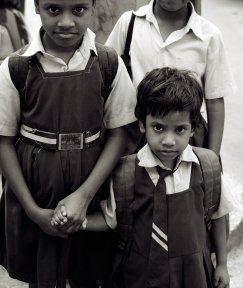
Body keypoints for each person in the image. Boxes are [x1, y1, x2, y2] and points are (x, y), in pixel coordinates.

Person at [0, 0, 137, 288]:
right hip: (34, 190)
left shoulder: (107, 64)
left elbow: (121, 133)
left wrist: (84, 196)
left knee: (89, 271)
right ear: (35, 5)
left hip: (91, 181)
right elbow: (3, 141)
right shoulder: (16, 69)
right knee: (40, 274)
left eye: (79, 10)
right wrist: (32, 210)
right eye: (53, 10)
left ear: (94, 5)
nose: (66, 22)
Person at [56, 67, 232, 288]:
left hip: (193, 273)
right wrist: (78, 222)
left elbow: (217, 216)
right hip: (140, 275)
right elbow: (111, 220)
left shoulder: (207, 167)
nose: (168, 140)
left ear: (194, 128)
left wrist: (223, 264)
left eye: (180, 130)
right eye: (158, 127)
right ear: (142, 124)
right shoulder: (126, 173)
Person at [105, 0, 236, 155]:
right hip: (133, 145)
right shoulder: (130, 25)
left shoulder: (208, 37)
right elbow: (105, 82)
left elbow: (215, 102)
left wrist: (212, 159)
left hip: (187, 146)